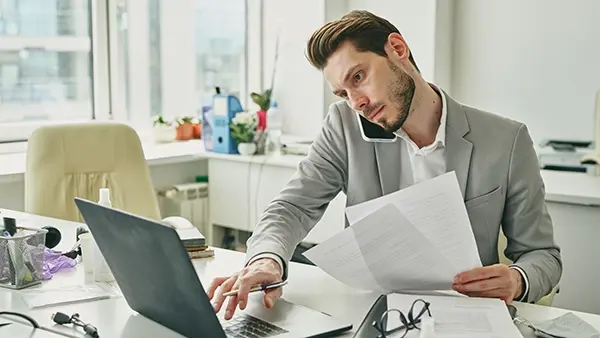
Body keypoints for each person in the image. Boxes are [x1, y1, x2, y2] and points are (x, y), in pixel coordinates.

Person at [208, 10, 562, 320]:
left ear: (397, 48)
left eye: (358, 77)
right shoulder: (344, 127)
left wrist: (518, 279)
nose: (356, 102)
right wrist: (266, 261)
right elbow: (292, 207)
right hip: (373, 315)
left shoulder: (506, 140)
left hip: (467, 316)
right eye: (343, 93)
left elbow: (542, 255)